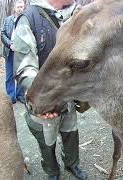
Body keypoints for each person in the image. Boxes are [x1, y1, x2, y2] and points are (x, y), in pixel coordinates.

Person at [12, 0, 87, 179]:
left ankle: (72, 164)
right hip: (45, 102)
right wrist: (42, 102)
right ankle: (52, 171)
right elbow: (25, 68)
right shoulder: (28, 19)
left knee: (71, 133)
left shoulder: (75, 15)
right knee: (47, 141)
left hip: (69, 98)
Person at [1, 0, 25, 104]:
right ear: (14, 7)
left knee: (20, 74)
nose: (20, 8)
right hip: (9, 52)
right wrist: (10, 44)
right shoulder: (8, 20)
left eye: (21, 7)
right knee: (9, 75)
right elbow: (2, 34)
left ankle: (20, 95)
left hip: (21, 52)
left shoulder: (26, 20)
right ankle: (11, 96)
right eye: (18, 7)